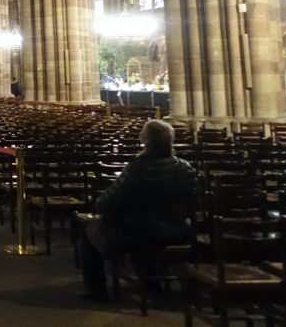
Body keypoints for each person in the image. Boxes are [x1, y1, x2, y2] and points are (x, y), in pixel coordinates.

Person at [78, 119, 199, 303]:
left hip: (142, 233)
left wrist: (100, 206)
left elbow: (107, 203)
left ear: (145, 141)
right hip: (180, 231)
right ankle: (152, 282)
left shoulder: (137, 168)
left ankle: (97, 290)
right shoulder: (186, 168)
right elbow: (195, 202)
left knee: (89, 229)